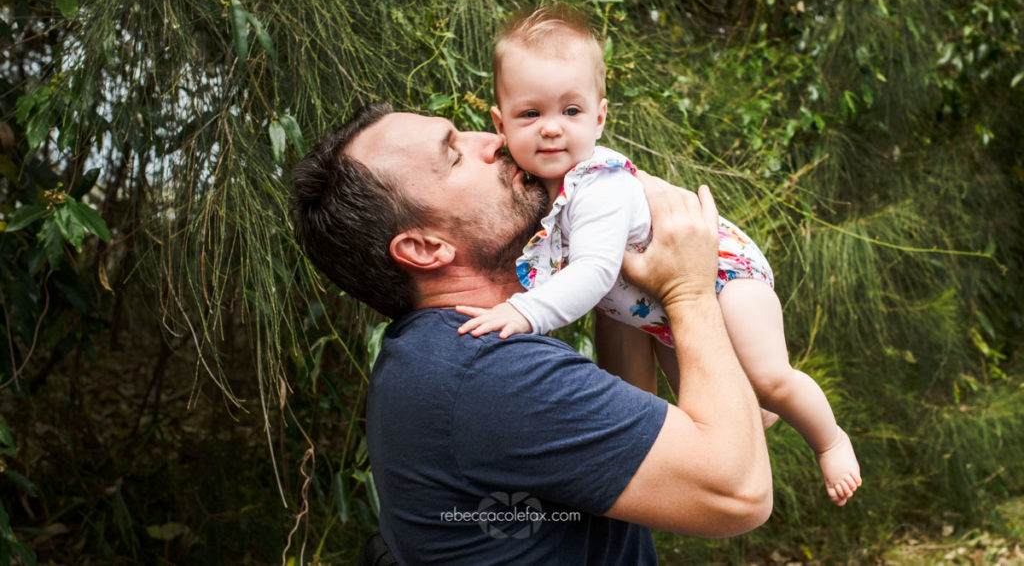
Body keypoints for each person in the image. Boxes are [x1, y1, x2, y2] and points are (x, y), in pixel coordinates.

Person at [291, 101, 772, 564]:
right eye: (455, 153)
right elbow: (738, 491)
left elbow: (637, 442)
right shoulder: (491, 373)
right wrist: (690, 291)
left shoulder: (438, 351)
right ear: (423, 247)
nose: (497, 140)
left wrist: (613, 254)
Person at [455, 5, 861, 506]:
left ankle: (830, 439)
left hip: (722, 275)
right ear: (500, 122)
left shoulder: (596, 186)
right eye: (530, 113)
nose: (552, 128)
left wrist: (523, 312)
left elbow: (594, 271)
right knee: (704, 406)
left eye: (571, 111)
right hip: (657, 305)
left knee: (770, 377)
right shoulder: (535, 191)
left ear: (600, 116)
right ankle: (754, 412)